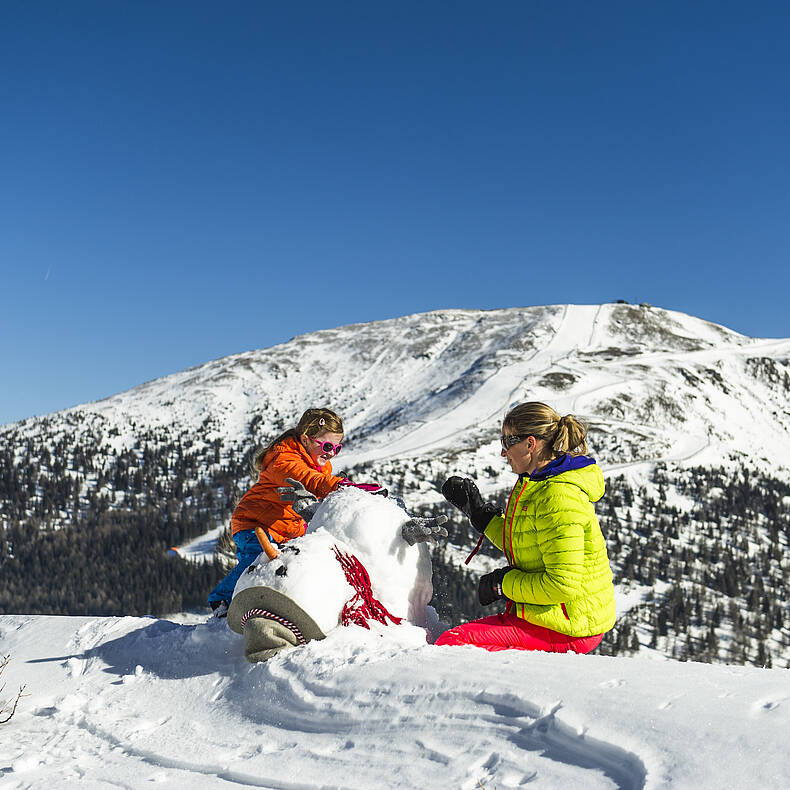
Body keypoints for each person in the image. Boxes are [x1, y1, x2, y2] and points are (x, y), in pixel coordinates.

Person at [436, 401, 616, 653]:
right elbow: (526, 539)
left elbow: (562, 585)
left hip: (568, 626)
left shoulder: (558, 496)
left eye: (508, 442)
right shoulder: (537, 482)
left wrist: (502, 584)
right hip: (554, 616)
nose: (503, 452)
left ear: (530, 443)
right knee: (454, 642)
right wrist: (479, 514)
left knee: (452, 645)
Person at [208, 407, 384, 617]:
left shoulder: (320, 464)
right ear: (306, 438)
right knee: (258, 559)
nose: (330, 453)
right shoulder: (284, 459)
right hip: (255, 523)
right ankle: (222, 600)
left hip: (288, 529)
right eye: (327, 446)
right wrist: (342, 485)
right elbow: (309, 481)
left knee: (294, 565)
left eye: (337, 449)